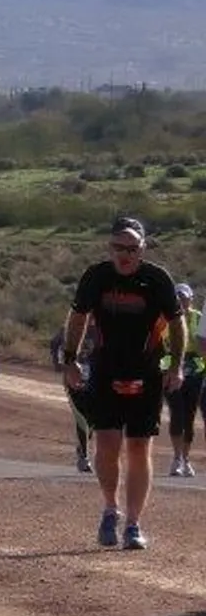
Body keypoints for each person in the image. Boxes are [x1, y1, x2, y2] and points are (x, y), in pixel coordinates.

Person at [62, 217, 186, 550]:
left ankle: (133, 524)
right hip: (105, 368)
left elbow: (177, 323)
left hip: (146, 371)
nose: (124, 254)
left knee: (138, 446)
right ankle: (110, 509)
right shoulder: (97, 277)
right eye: (118, 247)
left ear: (142, 249)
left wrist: (176, 365)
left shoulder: (157, 279)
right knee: (106, 442)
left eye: (132, 248)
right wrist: (70, 358)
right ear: (110, 248)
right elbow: (78, 318)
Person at [166, 283, 202, 477]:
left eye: (185, 298)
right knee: (176, 413)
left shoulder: (198, 317)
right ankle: (177, 458)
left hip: (195, 370)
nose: (182, 302)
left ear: (190, 299)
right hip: (171, 368)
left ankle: (186, 459)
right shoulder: (165, 317)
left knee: (189, 416)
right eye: (178, 298)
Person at [49, 324, 94, 473]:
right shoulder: (72, 326)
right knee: (81, 418)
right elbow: (54, 342)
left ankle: (83, 446)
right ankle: (84, 458)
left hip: (95, 380)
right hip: (73, 380)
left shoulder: (103, 327)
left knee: (93, 420)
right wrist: (58, 364)